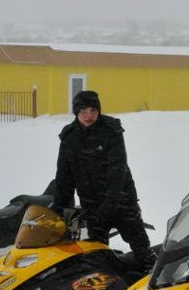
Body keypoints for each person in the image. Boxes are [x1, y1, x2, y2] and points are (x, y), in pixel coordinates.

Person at [53, 89, 155, 268]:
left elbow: (118, 171)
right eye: (83, 111)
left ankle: (153, 280)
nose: (89, 115)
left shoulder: (111, 130)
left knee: (141, 248)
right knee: (98, 255)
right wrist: (59, 209)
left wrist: (109, 205)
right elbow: (64, 176)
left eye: (93, 110)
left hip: (121, 201)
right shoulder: (69, 137)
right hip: (91, 205)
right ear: (76, 112)